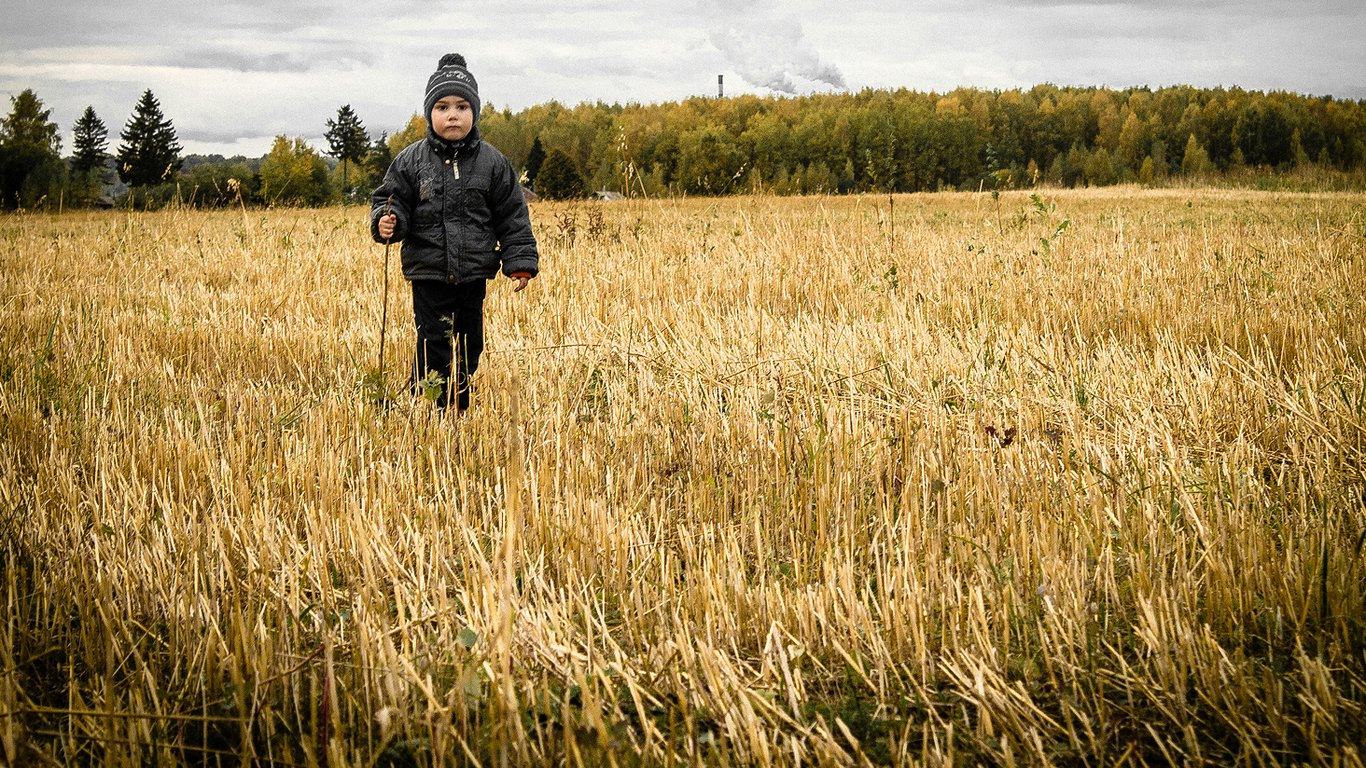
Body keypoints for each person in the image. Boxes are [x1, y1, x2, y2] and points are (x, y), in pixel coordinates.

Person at [371, 53, 538, 412]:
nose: (452, 114)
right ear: (429, 113)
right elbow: (390, 199)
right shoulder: (410, 161)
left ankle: (456, 396)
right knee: (434, 338)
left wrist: (519, 260)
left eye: (462, 106)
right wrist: (388, 222)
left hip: (474, 270)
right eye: (443, 106)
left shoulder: (493, 163)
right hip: (428, 269)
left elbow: (512, 214)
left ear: (474, 112)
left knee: (469, 342)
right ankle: (435, 401)